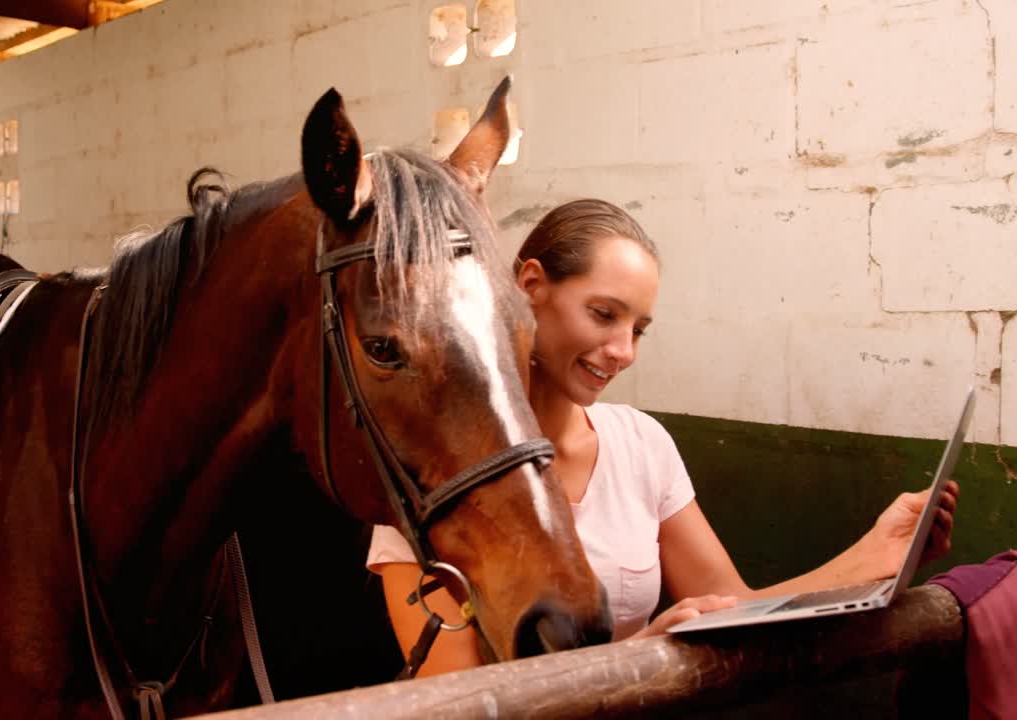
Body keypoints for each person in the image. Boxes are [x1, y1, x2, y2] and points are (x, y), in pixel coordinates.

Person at [366, 198, 960, 677]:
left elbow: (735, 605)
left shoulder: (641, 444)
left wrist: (873, 556)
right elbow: (450, 696)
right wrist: (639, 661)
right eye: (603, 315)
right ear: (531, 285)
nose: (623, 351)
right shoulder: (434, 468)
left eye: (639, 329)